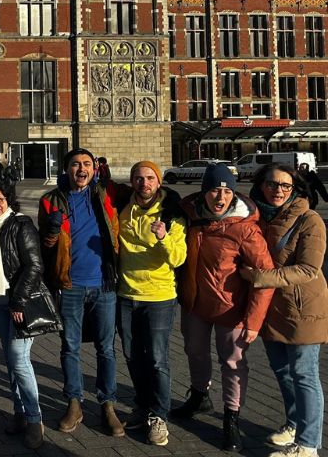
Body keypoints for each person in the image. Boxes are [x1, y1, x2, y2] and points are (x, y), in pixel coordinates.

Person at [173, 163, 275, 452]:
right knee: (194, 352)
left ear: (234, 194)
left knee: (232, 363)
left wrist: (254, 321)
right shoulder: (191, 218)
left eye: (227, 191)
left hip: (232, 308)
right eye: (215, 190)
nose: (221, 196)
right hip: (195, 304)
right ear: (204, 192)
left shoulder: (245, 229)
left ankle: (232, 416)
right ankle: (199, 396)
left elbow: (264, 278)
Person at [38, 148, 124, 436]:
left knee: (106, 349)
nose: (81, 169)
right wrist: (51, 231)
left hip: (104, 283)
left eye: (87, 164)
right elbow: (46, 247)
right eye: (75, 164)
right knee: (70, 347)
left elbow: (147, 190)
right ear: (66, 169)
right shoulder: (50, 200)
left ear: (95, 168)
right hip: (70, 284)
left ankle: (107, 404)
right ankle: (74, 402)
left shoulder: (106, 194)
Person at [243, 164, 327, 457]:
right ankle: (293, 424)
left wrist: (259, 278)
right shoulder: (258, 218)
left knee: (304, 374)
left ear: (295, 189)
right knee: (282, 372)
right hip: (271, 307)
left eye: (285, 186)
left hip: (303, 307)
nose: (278, 190)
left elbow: (308, 268)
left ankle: (308, 444)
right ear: (260, 186)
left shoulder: (309, 219)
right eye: (271, 184)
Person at [115, 162, 186, 446]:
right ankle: (142, 406)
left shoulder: (172, 214)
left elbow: (178, 258)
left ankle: (159, 416)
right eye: (139, 178)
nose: (144, 183)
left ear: (158, 182)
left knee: (157, 359)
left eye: (150, 178)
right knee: (132, 356)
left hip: (159, 296)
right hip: (126, 294)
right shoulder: (124, 210)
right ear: (132, 182)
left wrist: (163, 237)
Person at [0, 182, 46, 449]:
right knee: (10, 359)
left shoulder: (20, 224)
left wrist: (18, 301)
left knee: (19, 359)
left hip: (18, 303)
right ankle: (19, 412)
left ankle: (35, 419)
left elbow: (34, 265)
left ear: (9, 200)